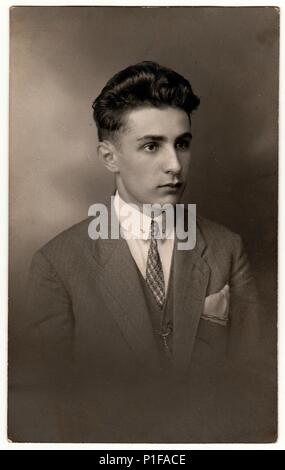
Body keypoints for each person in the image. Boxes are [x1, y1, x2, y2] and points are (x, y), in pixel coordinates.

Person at [14, 61, 269, 443]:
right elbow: (50, 406)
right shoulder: (57, 264)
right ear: (108, 157)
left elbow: (256, 384)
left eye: (182, 144)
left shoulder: (225, 248)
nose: (174, 165)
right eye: (152, 146)